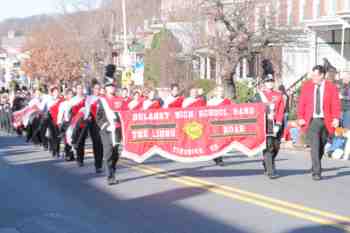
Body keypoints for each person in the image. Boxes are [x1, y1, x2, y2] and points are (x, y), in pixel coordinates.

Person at [298, 65, 341, 181]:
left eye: (316, 75)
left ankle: (315, 164)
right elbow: (301, 103)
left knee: (321, 146)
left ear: (322, 75)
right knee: (315, 145)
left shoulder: (331, 87)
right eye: (312, 75)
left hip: (326, 120)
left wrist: (336, 118)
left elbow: (336, 104)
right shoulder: (307, 86)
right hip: (312, 120)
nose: (313, 78)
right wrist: (300, 117)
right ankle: (317, 172)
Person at [252, 74, 285, 179]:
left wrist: (279, 123)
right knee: (268, 146)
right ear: (264, 83)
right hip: (265, 123)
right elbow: (255, 110)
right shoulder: (259, 95)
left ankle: (266, 161)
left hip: (276, 123)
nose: (270, 83)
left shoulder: (279, 95)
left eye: (271, 81)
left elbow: (280, 110)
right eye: (267, 81)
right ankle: (271, 171)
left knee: (276, 146)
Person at [96, 81, 124, 185]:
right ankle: (110, 177)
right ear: (106, 88)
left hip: (117, 130)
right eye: (109, 86)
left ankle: (112, 169)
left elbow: (125, 113)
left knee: (115, 154)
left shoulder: (119, 100)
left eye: (113, 86)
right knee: (108, 153)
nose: (112, 88)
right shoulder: (102, 101)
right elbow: (98, 117)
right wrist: (105, 125)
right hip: (106, 131)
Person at [207, 86, 233, 166]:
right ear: (215, 92)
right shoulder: (211, 102)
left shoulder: (227, 101)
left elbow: (232, 111)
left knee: (222, 141)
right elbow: (207, 113)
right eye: (219, 91)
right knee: (215, 141)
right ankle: (218, 158)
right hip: (214, 123)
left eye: (222, 91)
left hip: (223, 123)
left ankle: (218, 157)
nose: (221, 92)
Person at [83, 82, 104, 173]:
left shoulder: (103, 98)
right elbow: (87, 110)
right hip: (93, 123)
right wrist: (87, 117)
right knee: (96, 143)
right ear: (93, 89)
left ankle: (100, 163)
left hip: (102, 123)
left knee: (102, 143)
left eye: (98, 88)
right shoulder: (89, 98)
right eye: (95, 88)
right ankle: (97, 165)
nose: (97, 90)